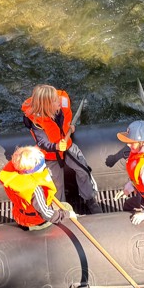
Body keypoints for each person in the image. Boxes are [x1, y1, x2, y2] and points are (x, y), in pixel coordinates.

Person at [21, 84, 103, 214]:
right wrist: (56, 146)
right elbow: (42, 142)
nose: (58, 101)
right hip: (51, 154)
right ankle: (62, 208)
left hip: (67, 145)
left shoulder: (61, 105)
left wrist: (69, 127)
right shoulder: (37, 122)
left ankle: (89, 199)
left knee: (83, 170)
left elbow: (64, 121)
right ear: (46, 105)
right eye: (54, 100)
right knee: (56, 185)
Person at [0, 146, 76, 230]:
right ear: (31, 170)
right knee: (67, 207)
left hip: (19, 215)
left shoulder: (15, 173)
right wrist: (67, 214)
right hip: (36, 221)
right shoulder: (35, 190)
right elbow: (46, 214)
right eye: (41, 164)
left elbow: (25, 155)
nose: (45, 165)